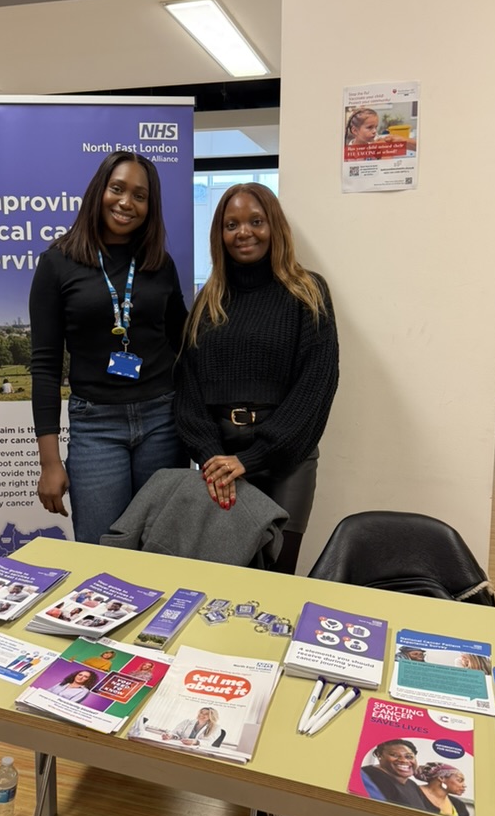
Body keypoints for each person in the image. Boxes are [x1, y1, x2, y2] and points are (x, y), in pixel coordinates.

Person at [174, 183, 339, 574]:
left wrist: (253, 457)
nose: (243, 232)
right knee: (225, 573)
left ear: (274, 226)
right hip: (220, 458)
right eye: (231, 224)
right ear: (220, 235)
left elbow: (317, 385)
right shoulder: (208, 299)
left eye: (255, 221)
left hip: (287, 459)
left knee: (277, 578)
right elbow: (188, 388)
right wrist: (211, 456)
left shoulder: (308, 292)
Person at [29, 151, 188, 544]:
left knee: (162, 546)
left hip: (162, 420)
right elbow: (46, 366)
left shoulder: (159, 263)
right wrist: (49, 462)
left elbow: (183, 342)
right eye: (117, 189)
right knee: (102, 549)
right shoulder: (57, 263)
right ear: (99, 190)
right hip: (95, 425)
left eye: (140, 195)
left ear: (150, 206)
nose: (126, 202)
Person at [360, 740, 437, 812]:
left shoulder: (411, 784)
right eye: (395, 755)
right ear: (379, 755)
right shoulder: (370, 777)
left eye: (409, 757)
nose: (404, 760)